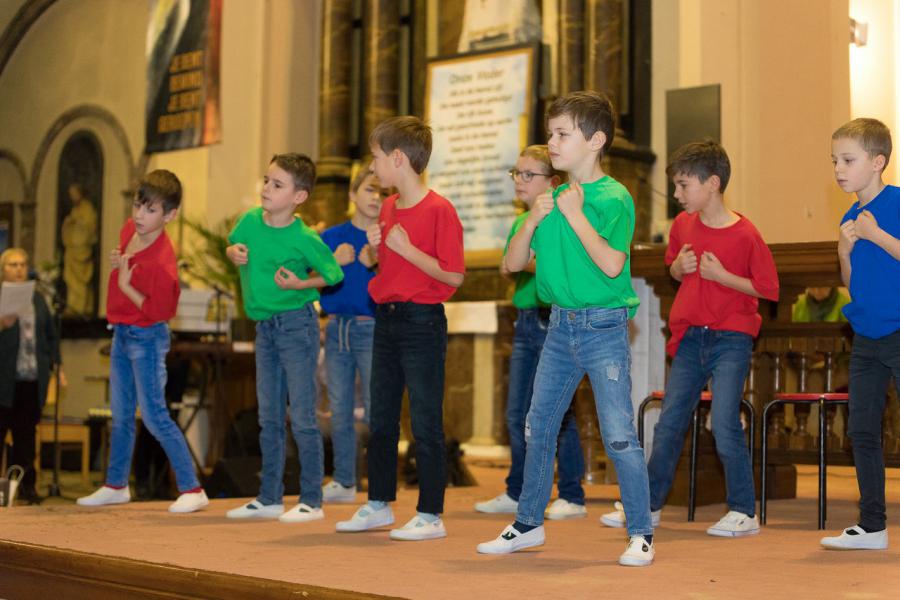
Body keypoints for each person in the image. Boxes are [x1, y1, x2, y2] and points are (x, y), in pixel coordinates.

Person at [477, 91, 653, 566]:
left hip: (603, 329)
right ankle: (528, 524)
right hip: (558, 329)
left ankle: (641, 531)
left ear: (594, 140)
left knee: (618, 433)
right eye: (550, 133)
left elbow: (613, 263)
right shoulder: (550, 201)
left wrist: (575, 216)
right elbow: (513, 265)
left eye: (561, 134)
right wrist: (534, 221)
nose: (551, 142)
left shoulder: (613, 197)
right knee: (538, 425)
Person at [600, 140, 779, 538]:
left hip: (731, 338)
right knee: (670, 423)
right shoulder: (683, 226)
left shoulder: (746, 234)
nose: (677, 195)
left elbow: (767, 289)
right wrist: (679, 268)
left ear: (712, 183)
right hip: (691, 338)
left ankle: (743, 511)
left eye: (683, 185)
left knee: (726, 423)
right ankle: (648, 505)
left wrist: (723, 277)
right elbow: (675, 270)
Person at [335, 116, 465, 541]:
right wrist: (376, 254)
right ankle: (378, 504)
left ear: (397, 158)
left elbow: (453, 276)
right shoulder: (389, 208)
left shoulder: (439, 209)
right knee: (383, 417)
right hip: (385, 319)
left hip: (421, 322)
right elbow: (388, 266)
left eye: (376, 158)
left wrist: (406, 249)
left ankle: (431, 513)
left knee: (425, 420)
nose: (373, 169)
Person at [77, 170, 208, 513]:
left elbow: (161, 311)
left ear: (170, 215)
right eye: (138, 205)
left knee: (154, 416)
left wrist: (125, 285)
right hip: (121, 331)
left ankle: (193, 488)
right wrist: (117, 265)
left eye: (150, 210)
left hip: (147, 338)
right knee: (120, 414)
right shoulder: (129, 230)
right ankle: (116, 484)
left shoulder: (164, 262)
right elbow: (123, 264)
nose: (139, 215)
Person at [225, 153, 344, 523]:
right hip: (265, 328)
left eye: (277, 185)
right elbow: (234, 246)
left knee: (303, 416)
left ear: (299, 197)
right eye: (266, 181)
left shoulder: (304, 237)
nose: (266, 189)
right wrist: (232, 253)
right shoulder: (248, 222)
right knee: (269, 416)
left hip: (297, 326)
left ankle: (311, 499)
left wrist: (301, 283)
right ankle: (269, 497)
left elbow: (334, 274)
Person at [474, 145, 587, 519]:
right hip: (524, 320)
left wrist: (526, 259)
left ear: (552, 182)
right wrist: (523, 256)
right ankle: (517, 489)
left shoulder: (559, 218)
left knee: (559, 412)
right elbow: (509, 266)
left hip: (550, 319)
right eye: (516, 174)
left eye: (528, 175)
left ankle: (571, 494)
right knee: (515, 414)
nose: (519, 181)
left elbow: (558, 267)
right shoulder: (524, 220)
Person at [821, 118, 900, 550]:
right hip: (867, 337)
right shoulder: (849, 216)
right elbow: (855, 283)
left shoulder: (897, 203)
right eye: (835, 160)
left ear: (877, 162)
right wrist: (843, 250)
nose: (838, 169)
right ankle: (873, 526)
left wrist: (877, 235)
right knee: (862, 431)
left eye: (848, 160)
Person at [319, 163, 383, 503]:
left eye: (382, 191)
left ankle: (380, 482)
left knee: (376, 407)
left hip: (371, 327)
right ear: (352, 195)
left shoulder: (388, 236)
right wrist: (332, 263)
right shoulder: (330, 237)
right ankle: (344, 480)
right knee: (340, 406)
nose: (375, 197)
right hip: (336, 327)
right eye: (369, 190)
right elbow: (311, 279)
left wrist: (378, 260)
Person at [0, 248, 60, 504]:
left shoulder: (37, 299)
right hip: (3, 380)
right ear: (3, 269)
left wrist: (58, 366)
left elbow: (49, 335)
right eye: (13, 265)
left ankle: (27, 488)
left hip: (31, 379)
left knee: (26, 437)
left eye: (23, 264)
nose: (19, 269)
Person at [60, 183, 98, 316]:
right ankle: (73, 305)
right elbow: (69, 227)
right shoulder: (75, 210)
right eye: (70, 194)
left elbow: (90, 229)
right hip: (72, 249)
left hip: (82, 250)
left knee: (81, 282)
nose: (72, 197)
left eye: (74, 193)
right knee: (71, 279)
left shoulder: (87, 209)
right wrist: (68, 223)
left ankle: (82, 306)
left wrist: (76, 222)